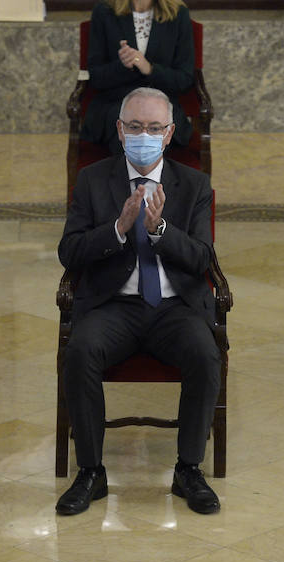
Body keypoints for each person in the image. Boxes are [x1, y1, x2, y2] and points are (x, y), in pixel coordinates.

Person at [56, 87, 223, 516]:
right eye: (135, 127)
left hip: (175, 306)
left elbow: (204, 257)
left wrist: (161, 231)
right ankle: (91, 471)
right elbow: (69, 252)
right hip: (115, 305)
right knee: (80, 350)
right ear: (119, 129)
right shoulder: (93, 179)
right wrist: (118, 227)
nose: (143, 135)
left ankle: (189, 469)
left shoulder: (195, 184)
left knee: (206, 354)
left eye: (153, 128)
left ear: (169, 134)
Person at [84, 0, 194, 154]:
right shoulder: (105, 13)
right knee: (128, 125)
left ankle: (153, 187)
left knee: (154, 125)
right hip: (116, 104)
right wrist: (123, 64)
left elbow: (184, 79)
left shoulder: (177, 15)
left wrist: (149, 68)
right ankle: (128, 188)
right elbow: (96, 76)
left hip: (160, 105)